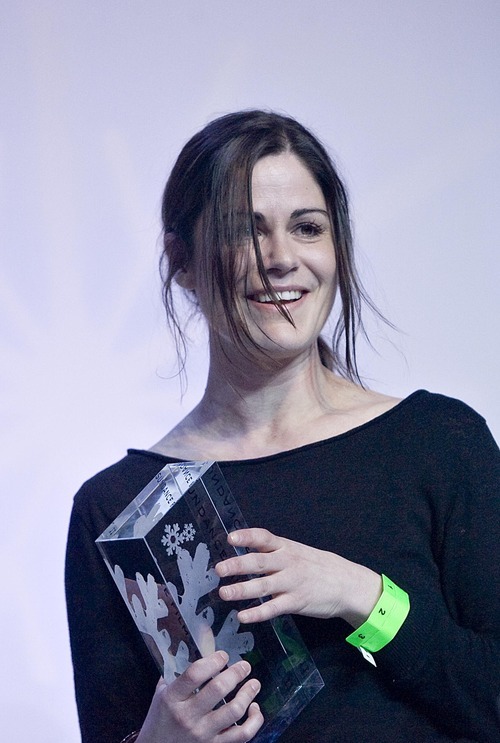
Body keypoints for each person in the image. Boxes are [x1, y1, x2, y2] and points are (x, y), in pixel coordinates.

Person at [65, 110, 500, 743]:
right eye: (247, 232)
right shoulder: (113, 507)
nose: (282, 259)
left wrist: (363, 596)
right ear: (182, 261)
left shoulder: (438, 444)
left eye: (307, 227)